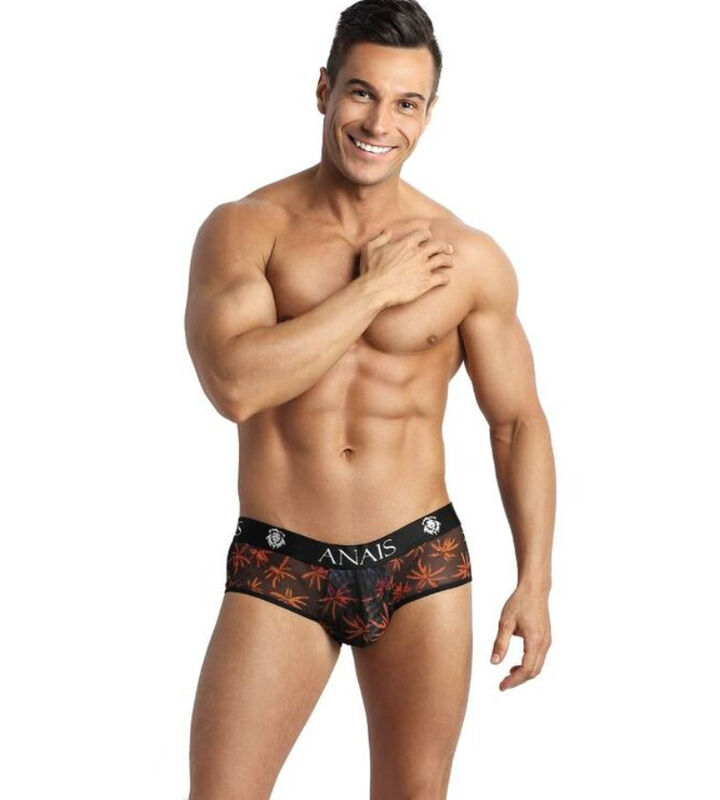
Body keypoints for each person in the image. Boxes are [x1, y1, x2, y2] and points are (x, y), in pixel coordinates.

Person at [184, 1, 555, 797]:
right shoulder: (248, 230)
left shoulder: (467, 256)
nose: (379, 122)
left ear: (427, 114)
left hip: (422, 561)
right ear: (324, 89)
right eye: (361, 92)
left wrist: (536, 580)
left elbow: (517, 422)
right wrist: (375, 291)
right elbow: (235, 386)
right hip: (283, 561)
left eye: (405, 103)